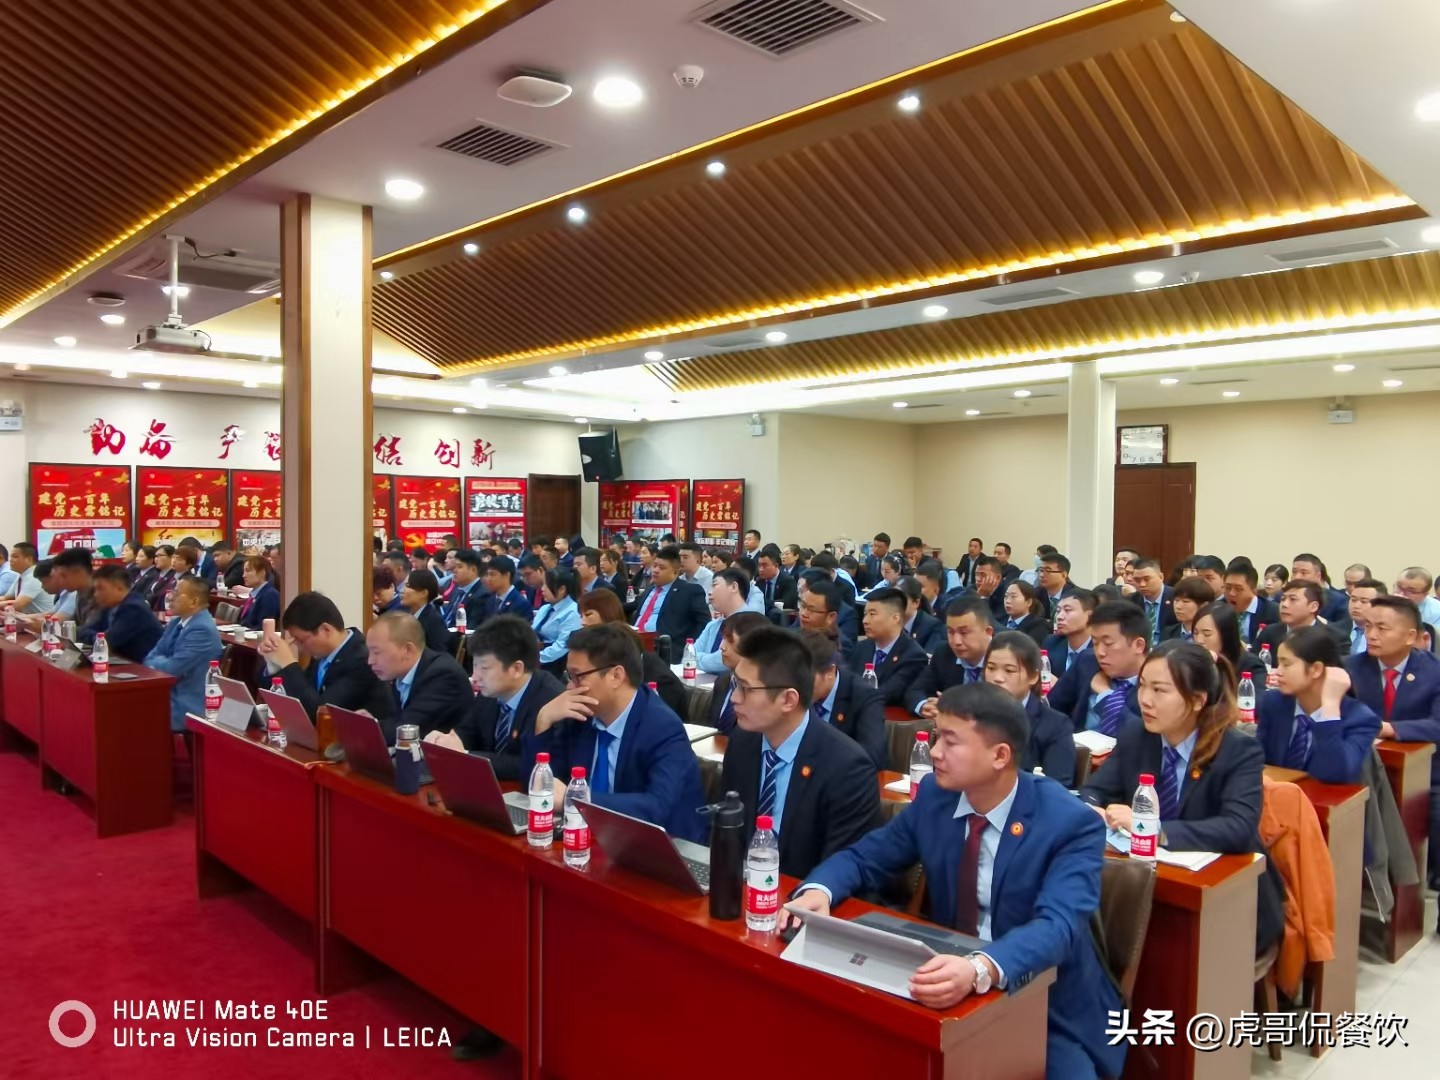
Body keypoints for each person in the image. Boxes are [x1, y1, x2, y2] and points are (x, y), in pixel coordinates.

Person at [785, 683, 1125, 1080]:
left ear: (1000, 755)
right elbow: (864, 858)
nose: (934, 752)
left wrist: (980, 967)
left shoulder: (1069, 822)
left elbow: (1059, 926)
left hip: (1044, 1001)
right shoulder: (936, 797)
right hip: (946, 980)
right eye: (935, 737)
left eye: (950, 741)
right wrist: (818, 890)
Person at [1082, 642, 1284, 951]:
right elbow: (1095, 790)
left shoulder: (1236, 749)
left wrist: (1153, 827)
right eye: (1143, 686)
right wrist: (1091, 809)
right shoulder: (1138, 735)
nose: (1145, 700)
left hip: (1231, 899)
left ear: (1197, 700)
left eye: (1160, 691)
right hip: (1151, 885)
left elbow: (1238, 828)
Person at [721, 626, 880, 878]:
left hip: (804, 901)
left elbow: (842, 869)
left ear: (788, 700)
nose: (733, 698)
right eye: (734, 684)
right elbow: (727, 832)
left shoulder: (847, 768)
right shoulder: (743, 741)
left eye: (745, 689)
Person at [525, 623, 706, 842]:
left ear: (616, 676)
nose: (570, 688)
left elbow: (657, 807)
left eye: (578, 677)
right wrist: (543, 721)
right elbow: (539, 789)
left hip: (662, 851)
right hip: (591, 840)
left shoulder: (663, 728)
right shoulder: (579, 716)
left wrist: (575, 798)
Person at [1347, 596, 1440, 889]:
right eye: (1367, 627)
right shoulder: (1350, 667)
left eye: (1382, 628)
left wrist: (1389, 728)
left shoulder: (1435, 672)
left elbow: (1437, 724)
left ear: (1411, 636)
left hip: (1430, 777)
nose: (1371, 635)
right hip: (1367, 774)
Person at [424, 615, 565, 780]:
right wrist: (447, 741)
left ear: (516, 669)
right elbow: (469, 730)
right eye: (474, 666)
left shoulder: (549, 701)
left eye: (484, 668)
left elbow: (528, 764)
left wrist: (466, 755)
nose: (475, 677)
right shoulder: (490, 692)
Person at [1257, 626, 1379, 783]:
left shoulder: (1360, 719)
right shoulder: (1273, 703)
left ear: (1316, 669)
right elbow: (1258, 760)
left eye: (1286, 665)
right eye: (1278, 663)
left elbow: (1334, 774)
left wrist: (1329, 709)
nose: (1278, 672)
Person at [578, 589, 689, 718]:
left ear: (606, 614)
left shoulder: (660, 681)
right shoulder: (599, 651)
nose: (583, 622)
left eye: (588, 614)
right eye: (581, 616)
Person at [984, 631, 1076, 785]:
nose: (997, 678)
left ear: (1033, 676)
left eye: (1009, 671)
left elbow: (1057, 787)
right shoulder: (969, 715)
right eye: (991, 668)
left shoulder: (1055, 725)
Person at [364, 611, 473, 742]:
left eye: (377, 652)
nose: (370, 661)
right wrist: (370, 722)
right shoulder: (399, 674)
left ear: (407, 650)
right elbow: (395, 720)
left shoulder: (443, 675)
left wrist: (366, 727)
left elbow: (406, 731)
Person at [1047, 601, 1148, 735]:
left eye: (1108, 643)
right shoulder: (1087, 661)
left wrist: (1105, 694)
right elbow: (1052, 707)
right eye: (1095, 643)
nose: (1100, 652)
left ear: (1138, 645)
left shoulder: (1158, 679)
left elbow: (1139, 733)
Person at [143, 577, 224, 733]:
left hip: (187, 702)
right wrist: (161, 661)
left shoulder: (202, 630)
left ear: (194, 601)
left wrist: (158, 661)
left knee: (129, 709)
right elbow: (150, 656)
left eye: (177, 593)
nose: (170, 596)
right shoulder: (176, 622)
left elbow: (172, 669)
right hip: (168, 691)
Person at [798, 627, 886, 768]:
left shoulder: (864, 697)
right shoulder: (793, 694)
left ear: (830, 671)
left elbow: (871, 756)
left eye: (806, 678)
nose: (799, 686)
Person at [906, 596, 994, 717]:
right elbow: (915, 691)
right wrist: (924, 706)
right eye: (951, 632)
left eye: (964, 633)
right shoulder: (944, 652)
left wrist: (956, 708)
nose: (956, 641)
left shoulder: (1006, 658)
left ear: (988, 632)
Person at [848, 588, 927, 707]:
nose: (865, 621)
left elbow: (889, 693)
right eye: (865, 614)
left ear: (895, 618)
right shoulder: (861, 648)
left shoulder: (913, 655)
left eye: (872, 614)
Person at [631, 545, 710, 664]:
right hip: (635, 642)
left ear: (675, 572)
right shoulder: (650, 590)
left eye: (662, 568)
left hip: (663, 648)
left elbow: (704, 623)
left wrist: (688, 648)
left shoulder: (689, 591)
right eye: (655, 566)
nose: (656, 570)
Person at [80, 565, 163, 662]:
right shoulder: (109, 605)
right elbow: (84, 630)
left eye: (100, 589)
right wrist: (98, 637)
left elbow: (108, 641)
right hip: (122, 661)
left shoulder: (134, 608)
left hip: (144, 668)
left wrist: (97, 637)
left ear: (119, 588)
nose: (95, 594)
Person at [705, 611, 771, 732]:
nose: (722, 647)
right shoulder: (723, 681)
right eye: (723, 639)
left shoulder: (765, 691)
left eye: (730, 641)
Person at [1253, 579, 1348, 657]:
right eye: (1283, 599)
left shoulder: (1335, 638)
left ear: (1313, 606)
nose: (1284, 605)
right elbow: (1255, 667)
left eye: (1293, 599)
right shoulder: (1268, 633)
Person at [1192, 601, 1268, 690]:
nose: (1199, 640)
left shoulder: (1251, 665)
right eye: (1195, 633)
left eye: (1207, 634)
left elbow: (1254, 699)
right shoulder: (1191, 661)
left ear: (1226, 634)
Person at [693, 567, 752, 674]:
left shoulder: (751, 623)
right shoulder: (713, 625)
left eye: (715, 585)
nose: (709, 592)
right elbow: (689, 655)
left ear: (733, 587)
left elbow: (724, 660)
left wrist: (699, 659)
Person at [531, 567, 582, 670]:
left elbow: (562, 646)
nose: (542, 589)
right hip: (535, 654)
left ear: (562, 589)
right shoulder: (545, 608)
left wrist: (535, 659)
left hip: (555, 664)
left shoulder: (573, 611)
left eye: (546, 585)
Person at [1041, 589, 1094, 681]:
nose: (1059, 617)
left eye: (1067, 610)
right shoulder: (1052, 643)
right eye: (1058, 611)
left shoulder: (1100, 649)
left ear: (1089, 616)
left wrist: (1058, 685)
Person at [1221, 560, 1278, 647]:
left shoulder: (1272, 612)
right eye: (1228, 587)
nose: (1231, 593)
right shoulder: (1218, 608)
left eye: (1238, 589)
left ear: (1254, 590)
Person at [797, 579, 857, 660]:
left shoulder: (840, 646)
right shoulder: (794, 636)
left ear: (831, 617)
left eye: (811, 610)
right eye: (803, 606)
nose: (803, 613)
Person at [400, 569, 452, 656]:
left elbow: (439, 654)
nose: (402, 590)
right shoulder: (405, 614)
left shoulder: (433, 620)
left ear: (423, 593)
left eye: (407, 586)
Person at [1127, 558, 1176, 646]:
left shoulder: (1175, 597)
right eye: (1137, 580)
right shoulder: (1130, 601)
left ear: (1161, 577)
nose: (1142, 584)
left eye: (1147, 579)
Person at [1290, 553, 1349, 623]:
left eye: (1304, 573)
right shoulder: (1281, 597)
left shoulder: (1338, 601)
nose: (1297, 577)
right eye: (1294, 572)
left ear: (1318, 576)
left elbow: (1342, 630)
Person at [0, 543, 54, 616]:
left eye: (15, 556)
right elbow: (6, 598)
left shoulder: (34, 577)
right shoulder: (21, 576)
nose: (11, 560)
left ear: (29, 559)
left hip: (42, 623)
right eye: (11, 557)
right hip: (27, 621)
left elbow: (17, 605)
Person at [478, 555, 533, 625]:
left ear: (507, 575)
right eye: (487, 575)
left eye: (492, 574)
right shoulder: (489, 600)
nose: (488, 579)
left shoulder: (521, 604)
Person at [896, 576, 944, 654]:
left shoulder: (933, 626)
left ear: (916, 603)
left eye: (901, 600)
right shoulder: (887, 622)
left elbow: (927, 660)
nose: (895, 605)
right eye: (892, 600)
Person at [442, 550, 487, 628]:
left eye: (459, 567)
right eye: (455, 566)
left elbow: (471, 627)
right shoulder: (457, 590)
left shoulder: (482, 594)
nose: (454, 570)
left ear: (473, 569)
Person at [1162, 577, 1214, 643]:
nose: (1178, 606)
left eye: (1185, 601)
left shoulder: (1211, 635)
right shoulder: (1169, 632)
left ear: (1203, 605)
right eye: (1176, 600)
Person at [236, 556, 280, 631]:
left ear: (262, 573)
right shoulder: (254, 595)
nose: (243, 576)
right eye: (244, 571)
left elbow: (263, 627)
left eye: (248, 571)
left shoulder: (270, 595)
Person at [1000, 580, 1049, 646]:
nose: (1007, 601)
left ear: (1028, 602)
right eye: (1006, 596)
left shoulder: (1039, 625)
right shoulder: (999, 621)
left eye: (1013, 597)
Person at [1345, 578, 1386, 657]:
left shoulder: (1386, 635)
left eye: (1364, 601)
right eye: (1353, 600)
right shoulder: (1335, 630)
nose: (1356, 606)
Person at [754, 545, 798, 612]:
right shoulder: (760, 581)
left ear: (776, 565)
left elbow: (786, 603)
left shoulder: (788, 581)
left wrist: (764, 602)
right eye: (759, 565)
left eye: (765, 565)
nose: (761, 569)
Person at [1395, 566, 1440, 631]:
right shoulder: (1385, 605)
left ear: (1425, 594)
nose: (1401, 594)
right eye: (1399, 587)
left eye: (1410, 591)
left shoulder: (1437, 612)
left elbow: (1435, 639)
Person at [1036, 552, 1077, 617]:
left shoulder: (1076, 597)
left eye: (1048, 571)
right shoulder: (1034, 595)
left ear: (1063, 575)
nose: (1041, 575)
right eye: (1041, 570)